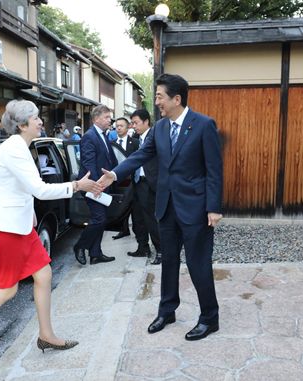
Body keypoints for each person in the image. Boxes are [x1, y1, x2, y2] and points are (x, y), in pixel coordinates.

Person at [0, 100, 102, 369]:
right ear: (22, 125)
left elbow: (19, 189)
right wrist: (77, 185)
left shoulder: (21, 147)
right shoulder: (14, 149)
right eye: (36, 118)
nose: (41, 121)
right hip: (6, 228)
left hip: (20, 225)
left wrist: (31, 215)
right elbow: (39, 189)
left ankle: (46, 335)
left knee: (44, 274)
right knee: (7, 289)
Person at [98, 73, 223, 341]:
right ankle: (167, 310)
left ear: (177, 99)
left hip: (196, 209)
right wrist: (115, 173)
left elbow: (214, 170)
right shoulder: (160, 129)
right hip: (166, 207)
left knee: (198, 263)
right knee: (168, 262)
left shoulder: (203, 125)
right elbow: (142, 155)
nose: (157, 103)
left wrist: (214, 207)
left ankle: (209, 318)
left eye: (160, 97)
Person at [73, 104, 118, 265]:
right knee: (99, 219)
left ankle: (95, 254)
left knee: (101, 219)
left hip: (102, 185)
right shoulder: (89, 136)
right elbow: (89, 164)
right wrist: (96, 186)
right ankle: (80, 246)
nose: (109, 120)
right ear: (96, 118)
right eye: (106, 117)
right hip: (92, 185)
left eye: (109, 117)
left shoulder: (103, 135)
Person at [128, 109, 162, 265]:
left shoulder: (155, 137)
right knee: (137, 218)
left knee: (151, 220)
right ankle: (143, 247)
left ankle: (161, 251)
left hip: (150, 184)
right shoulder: (135, 139)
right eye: (132, 123)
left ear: (146, 121)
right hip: (136, 182)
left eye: (136, 123)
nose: (133, 126)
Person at [112, 117, 137, 240]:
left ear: (128, 128)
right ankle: (123, 229)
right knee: (120, 205)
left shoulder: (135, 142)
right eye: (117, 126)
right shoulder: (112, 143)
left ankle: (138, 232)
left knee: (133, 206)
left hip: (132, 180)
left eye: (121, 126)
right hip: (118, 180)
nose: (119, 128)